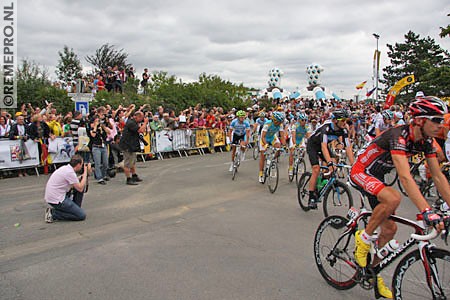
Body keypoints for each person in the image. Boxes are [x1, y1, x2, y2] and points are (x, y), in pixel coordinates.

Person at [350, 96, 450, 299]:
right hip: (362, 171)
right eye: (437, 119)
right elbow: (404, 177)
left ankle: (372, 271)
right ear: (421, 120)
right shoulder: (399, 136)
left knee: (390, 230)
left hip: (377, 178)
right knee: (393, 197)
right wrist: (427, 211)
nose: (441, 124)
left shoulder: (426, 141)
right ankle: (364, 238)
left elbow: (438, 176)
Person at [306, 109, 355, 209]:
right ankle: (311, 197)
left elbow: (348, 147)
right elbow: (324, 146)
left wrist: (353, 164)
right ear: (335, 120)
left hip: (322, 146)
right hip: (313, 145)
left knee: (333, 166)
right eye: (342, 120)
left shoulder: (343, 129)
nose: (344, 123)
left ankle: (321, 182)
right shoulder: (326, 128)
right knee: (316, 169)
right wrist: (328, 162)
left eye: (345, 120)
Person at [44, 154, 90, 223]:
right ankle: (53, 214)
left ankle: (74, 209)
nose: (82, 166)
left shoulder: (66, 168)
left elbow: (73, 182)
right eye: (82, 164)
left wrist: (81, 177)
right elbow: (80, 188)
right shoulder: (70, 172)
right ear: (78, 165)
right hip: (57, 199)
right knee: (81, 215)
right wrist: (85, 172)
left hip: (54, 196)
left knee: (78, 187)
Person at [119, 111, 148, 185]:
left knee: (133, 161)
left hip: (132, 145)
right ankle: (128, 179)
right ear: (136, 116)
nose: (142, 119)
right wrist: (145, 123)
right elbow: (141, 130)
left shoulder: (134, 123)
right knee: (128, 163)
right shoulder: (131, 123)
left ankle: (134, 175)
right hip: (127, 145)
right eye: (141, 118)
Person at [258, 111, 286, 183]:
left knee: (278, 147)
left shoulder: (280, 125)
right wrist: (266, 145)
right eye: (278, 121)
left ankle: (271, 161)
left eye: (280, 122)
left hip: (272, 137)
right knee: (262, 155)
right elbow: (263, 136)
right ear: (274, 120)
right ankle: (261, 174)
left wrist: (284, 145)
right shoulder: (268, 123)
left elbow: (282, 136)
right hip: (264, 138)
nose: (279, 123)